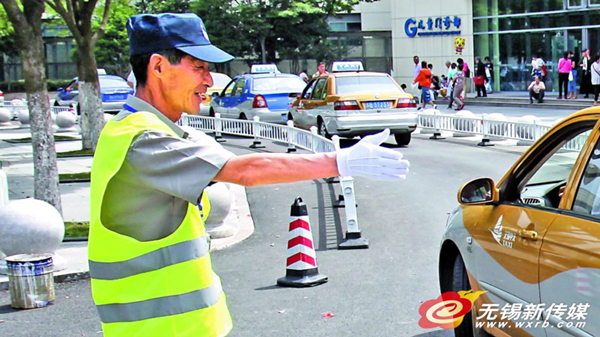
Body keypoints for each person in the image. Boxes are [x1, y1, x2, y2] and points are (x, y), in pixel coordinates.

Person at [88, 13, 410, 337]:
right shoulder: (144, 139)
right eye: (198, 67)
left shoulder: (158, 130)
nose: (209, 81)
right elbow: (246, 170)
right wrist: (339, 162)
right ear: (158, 66)